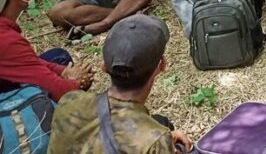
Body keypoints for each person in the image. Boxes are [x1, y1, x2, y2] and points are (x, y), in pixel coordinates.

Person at [48, 14, 192, 153]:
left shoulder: (69, 101)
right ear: (162, 65)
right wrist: (160, 145)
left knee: (161, 122)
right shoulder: (153, 142)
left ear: (104, 67)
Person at [0, 0, 94, 101]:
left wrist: (63, 71)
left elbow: (26, 62)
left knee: (59, 57)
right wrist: (78, 82)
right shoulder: (7, 40)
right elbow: (61, 92)